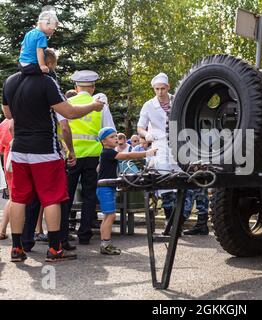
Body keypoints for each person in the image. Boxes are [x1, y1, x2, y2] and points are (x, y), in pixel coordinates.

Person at [2, 59, 104, 262]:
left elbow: (8, 114)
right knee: (51, 198)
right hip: (45, 150)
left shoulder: (10, 81)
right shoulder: (47, 82)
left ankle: (16, 249)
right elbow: (70, 113)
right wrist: (93, 106)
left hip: (20, 149)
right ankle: (55, 249)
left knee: (19, 197)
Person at [137, 73, 192, 235]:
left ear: (168, 87)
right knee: (165, 185)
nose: (160, 92)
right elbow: (140, 126)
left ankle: (179, 223)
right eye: (156, 89)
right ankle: (170, 225)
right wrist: (145, 135)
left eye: (162, 88)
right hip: (160, 145)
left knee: (183, 184)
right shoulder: (148, 105)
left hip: (180, 144)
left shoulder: (178, 100)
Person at [66, 70, 115, 245]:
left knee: (67, 196)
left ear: (75, 87)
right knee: (89, 196)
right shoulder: (101, 106)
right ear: (93, 87)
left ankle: (63, 234)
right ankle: (85, 234)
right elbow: (110, 133)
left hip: (71, 156)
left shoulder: (67, 103)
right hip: (93, 158)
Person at [96, 127, 157, 254]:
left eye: (116, 136)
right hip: (105, 187)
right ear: (104, 141)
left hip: (106, 187)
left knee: (107, 216)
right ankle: (105, 244)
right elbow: (128, 155)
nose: (116, 139)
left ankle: (105, 243)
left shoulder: (106, 153)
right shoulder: (108, 152)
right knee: (110, 216)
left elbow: (98, 169)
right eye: (112, 137)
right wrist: (147, 153)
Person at [19, 9, 59, 74]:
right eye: (53, 29)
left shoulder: (29, 33)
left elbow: (22, 47)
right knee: (51, 73)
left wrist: (21, 60)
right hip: (32, 66)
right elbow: (39, 51)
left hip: (21, 65)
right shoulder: (41, 36)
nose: (53, 31)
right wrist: (42, 66)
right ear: (47, 25)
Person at [0, 118, 13, 240]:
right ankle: (36, 230)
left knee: (13, 197)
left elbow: (1, 147)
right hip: (20, 160)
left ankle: (2, 230)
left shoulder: (3, 123)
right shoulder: (24, 117)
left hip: (8, 161)